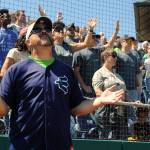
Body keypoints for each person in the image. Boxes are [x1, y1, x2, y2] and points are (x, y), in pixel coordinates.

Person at [0, 16, 124, 150]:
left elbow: (77, 107)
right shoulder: (16, 70)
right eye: (37, 29)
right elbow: (3, 109)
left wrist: (99, 100)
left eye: (47, 29)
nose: (43, 31)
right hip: (23, 146)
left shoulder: (66, 71)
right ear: (28, 42)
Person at [92, 50, 128, 139]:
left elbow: (124, 93)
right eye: (114, 55)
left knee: (120, 141)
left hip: (120, 112)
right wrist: (111, 97)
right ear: (105, 57)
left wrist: (134, 102)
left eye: (116, 56)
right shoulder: (99, 73)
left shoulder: (117, 75)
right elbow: (98, 92)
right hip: (106, 112)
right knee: (107, 142)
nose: (116, 58)